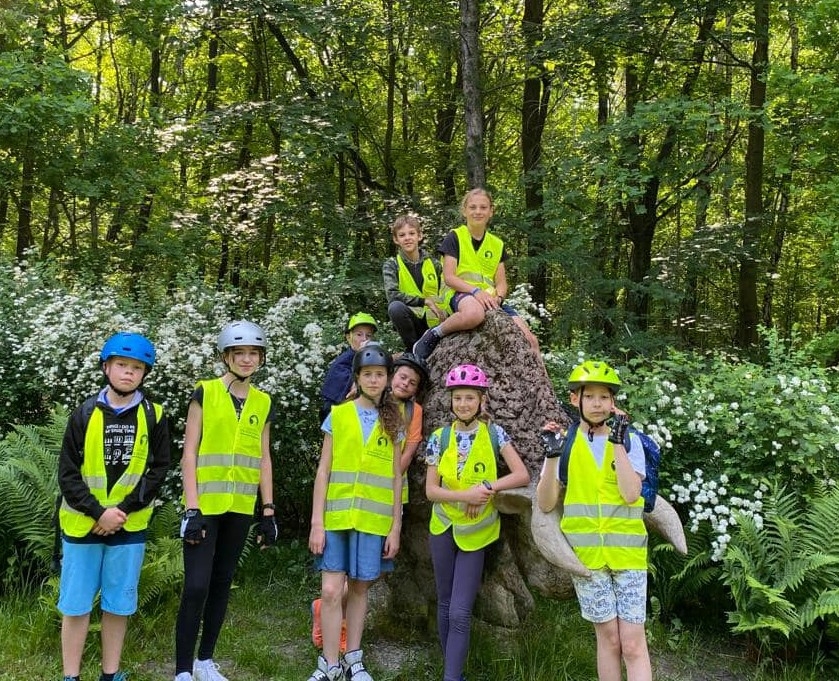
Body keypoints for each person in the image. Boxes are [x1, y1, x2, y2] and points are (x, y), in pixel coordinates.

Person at [58, 332, 170, 681]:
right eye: (121, 364)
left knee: (118, 605)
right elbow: (67, 473)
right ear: (106, 367)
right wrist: (98, 513)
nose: (128, 372)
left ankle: (110, 674)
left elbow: (158, 470)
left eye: (137, 367)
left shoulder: (154, 415)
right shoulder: (84, 413)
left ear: (145, 373)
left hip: (128, 527)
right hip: (83, 526)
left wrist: (120, 512)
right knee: (76, 605)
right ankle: (71, 676)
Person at [174, 321, 278, 681]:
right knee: (196, 586)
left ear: (261, 358)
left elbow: (264, 458)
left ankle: (205, 661)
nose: (247, 359)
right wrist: (192, 507)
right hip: (204, 506)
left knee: (222, 582)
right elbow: (189, 452)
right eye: (239, 353)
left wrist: (268, 510)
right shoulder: (205, 392)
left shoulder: (263, 402)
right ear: (226, 357)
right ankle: (182, 670)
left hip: (240, 507)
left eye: (253, 353)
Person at [536, 360, 651, 681]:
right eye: (590, 396)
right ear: (576, 399)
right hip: (588, 560)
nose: (598, 404)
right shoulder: (565, 443)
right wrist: (552, 457)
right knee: (609, 639)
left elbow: (631, 493)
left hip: (629, 556)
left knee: (632, 644)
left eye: (604, 397)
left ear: (613, 402)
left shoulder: (631, 441)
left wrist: (618, 444)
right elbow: (546, 503)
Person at [424, 364, 529, 681]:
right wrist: (464, 496)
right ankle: (452, 671)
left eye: (470, 397)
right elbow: (431, 491)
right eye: (458, 398)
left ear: (481, 400)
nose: (463, 404)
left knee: (459, 611)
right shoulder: (439, 438)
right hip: (443, 527)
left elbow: (521, 474)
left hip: (478, 531)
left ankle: (451, 677)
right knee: (444, 603)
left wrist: (486, 488)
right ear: (450, 400)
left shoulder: (495, 434)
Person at [308, 343, 404, 681]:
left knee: (360, 589)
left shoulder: (394, 421)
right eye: (367, 374)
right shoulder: (339, 415)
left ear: (387, 378)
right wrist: (316, 522)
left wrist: (395, 528)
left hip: (373, 521)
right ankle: (329, 664)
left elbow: (396, 477)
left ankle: (353, 659)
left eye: (380, 374)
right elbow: (323, 471)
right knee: (331, 591)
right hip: (335, 518)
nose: (374, 380)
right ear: (358, 378)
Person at [412, 188, 538, 361]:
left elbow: (501, 283)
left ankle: (542, 379)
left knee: (530, 340)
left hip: (489, 299)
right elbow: (449, 277)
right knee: (474, 314)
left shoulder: (497, 244)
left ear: (491, 211)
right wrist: (475, 291)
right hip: (459, 293)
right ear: (464, 211)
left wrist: (499, 298)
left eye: (483, 207)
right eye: (472, 207)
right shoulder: (455, 237)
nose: (478, 211)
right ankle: (435, 333)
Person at [382, 214, 449, 351]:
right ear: (396, 239)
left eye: (411, 233)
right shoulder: (392, 265)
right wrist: (424, 301)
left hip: (437, 321)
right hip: (412, 323)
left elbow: (447, 291)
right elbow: (392, 295)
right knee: (395, 307)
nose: (407, 238)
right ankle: (413, 350)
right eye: (402, 235)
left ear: (420, 235)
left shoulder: (435, 264)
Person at [319, 312, 378, 423]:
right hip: (334, 414)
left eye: (368, 336)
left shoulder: (369, 359)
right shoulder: (343, 361)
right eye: (359, 335)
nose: (364, 339)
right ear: (348, 337)